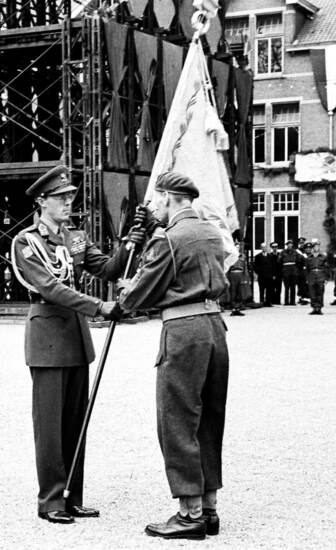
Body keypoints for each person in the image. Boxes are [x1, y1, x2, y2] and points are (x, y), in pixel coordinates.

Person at [10, 165, 141, 524]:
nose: (69, 202)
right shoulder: (27, 241)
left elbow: (110, 269)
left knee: (75, 422)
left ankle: (72, 495)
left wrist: (132, 241)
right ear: (42, 201)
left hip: (75, 338)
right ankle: (51, 500)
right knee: (50, 426)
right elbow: (51, 288)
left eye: (70, 197)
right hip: (48, 338)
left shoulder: (76, 238)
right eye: (60, 197)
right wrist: (100, 306)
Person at [118, 172, 229, 540]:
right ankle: (209, 508)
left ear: (168, 197)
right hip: (215, 328)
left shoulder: (167, 239)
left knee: (178, 420)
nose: (155, 207)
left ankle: (190, 513)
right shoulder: (213, 231)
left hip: (183, 332)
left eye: (158, 200)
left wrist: (124, 292)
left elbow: (140, 293)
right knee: (209, 420)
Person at [305, 239, 327, 315]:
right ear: (313, 248)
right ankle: (314, 308)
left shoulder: (323, 257)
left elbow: (326, 268)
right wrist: (307, 278)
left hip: (320, 275)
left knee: (320, 292)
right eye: (315, 246)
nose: (316, 248)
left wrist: (326, 278)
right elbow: (307, 269)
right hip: (311, 275)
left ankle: (319, 308)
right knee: (312, 292)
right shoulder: (309, 257)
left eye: (318, 246)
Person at [252, 242, 277, 307]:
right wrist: (259, 272)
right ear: (261, 248)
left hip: (269, 276)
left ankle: (268, 302)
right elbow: (255, 266)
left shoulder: (271, 256)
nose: (264, 248)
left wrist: (274, 274)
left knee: (269, 289)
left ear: (267, 248)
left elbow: (274, 266)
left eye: (265, 247)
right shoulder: (257, 256)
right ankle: (262, 302)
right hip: (262, 276)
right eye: (262, 247)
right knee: (262, 289)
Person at [278, 240, 299, 305]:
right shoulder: (282, 252)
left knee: (293, 287)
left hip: (293, 271)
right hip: (286, 271)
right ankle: (286, 302)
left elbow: (299, 260)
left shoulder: (295, 252)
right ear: (286, 245)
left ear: (292, 245)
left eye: (291, 244)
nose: (290, 245)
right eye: (288, 244)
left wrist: (296, 269)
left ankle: (292, 301)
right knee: (286, 287)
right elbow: (279, 261)